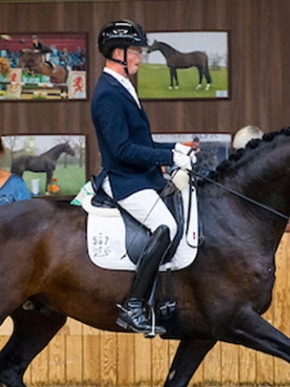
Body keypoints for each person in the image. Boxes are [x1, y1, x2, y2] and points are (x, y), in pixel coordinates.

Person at [91, 19, 196, 335]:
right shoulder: (107, 94)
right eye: (136, 51)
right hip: (126, 179)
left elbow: (139, 142)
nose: (140, 57)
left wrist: (174, 148)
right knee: (167, 226)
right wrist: (168, 157)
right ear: (118, 52)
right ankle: (134, 305)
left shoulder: (122, 87)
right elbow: (122, 149)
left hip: (141, 176)